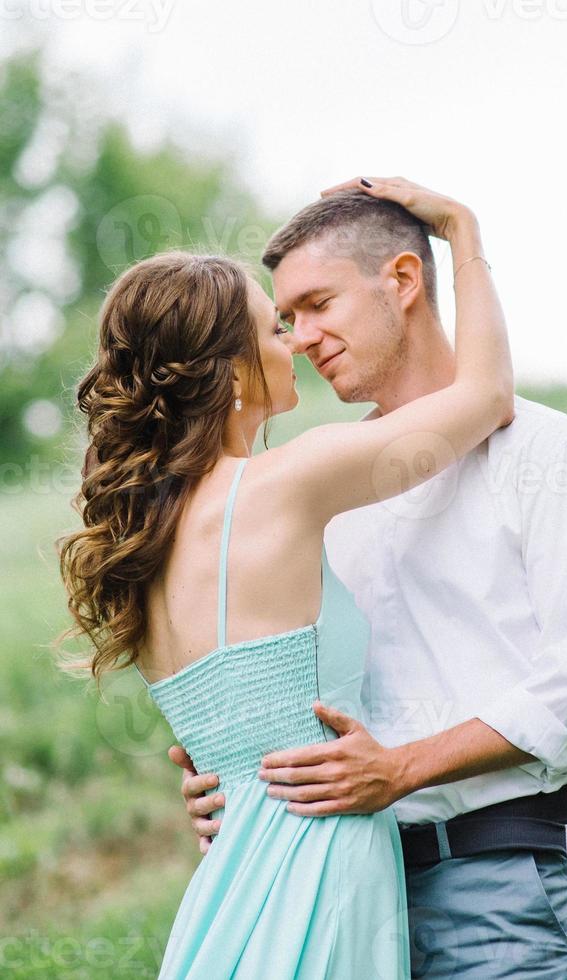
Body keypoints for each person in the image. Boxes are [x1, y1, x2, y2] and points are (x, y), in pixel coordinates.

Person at [175, 177, 567, 978]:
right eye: (286, 320)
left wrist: (404, 769)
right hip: (352, 895)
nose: (302, 337)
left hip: (502, 888)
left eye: (318, 304)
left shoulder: (544, 455)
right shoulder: (332, 493)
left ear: (403, 280)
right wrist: (235, 777)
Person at [57, 180, 514, 978]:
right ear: (233, 368)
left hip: (228, 883)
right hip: (319, 871)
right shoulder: (285, 483)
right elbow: (486, 397)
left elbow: (231, 749)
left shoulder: (146, 544)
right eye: (275, 327)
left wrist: (219, 783)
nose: (297, 342)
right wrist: (462, 233)